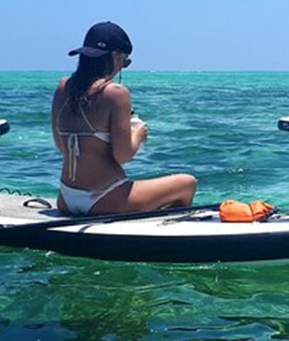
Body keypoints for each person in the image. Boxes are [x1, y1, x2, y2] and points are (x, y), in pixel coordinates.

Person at [51, 21, 196, 216]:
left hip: (66, 198)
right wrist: (138, 134)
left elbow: (61, 146)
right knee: (187, 183)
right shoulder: (115, 93)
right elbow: (123, 155)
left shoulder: (63, 87)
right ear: (116, 56)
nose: (122, 68)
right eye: (125, 62)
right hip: (105, 198)